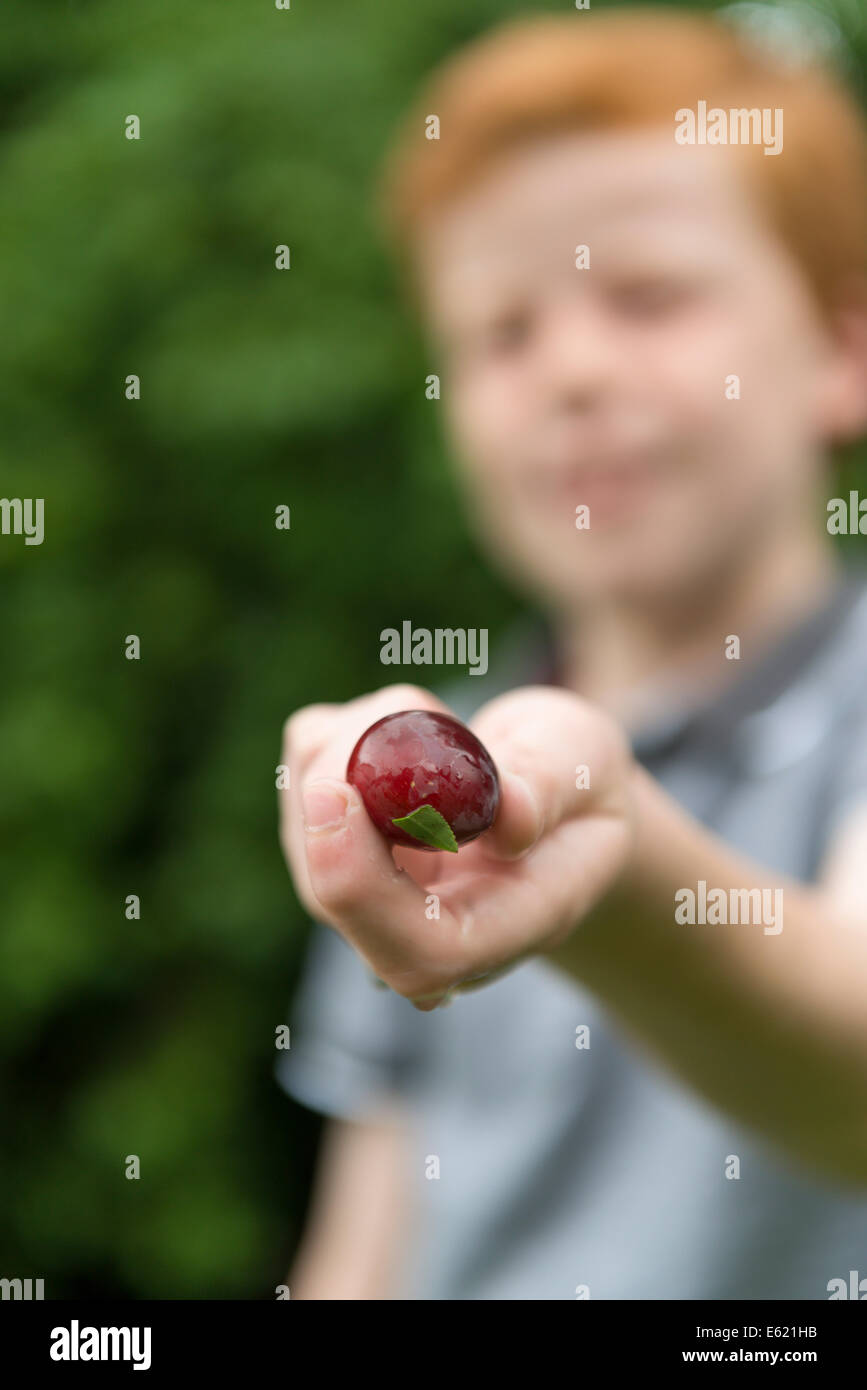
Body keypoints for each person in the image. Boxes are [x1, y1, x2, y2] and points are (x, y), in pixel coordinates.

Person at [275, 7, 867, 1299]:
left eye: (648, 297)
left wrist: (614, 869)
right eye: (503, 332)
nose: (573, 372)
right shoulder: (415, 786)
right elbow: (361, 1258)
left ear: (842, 347)